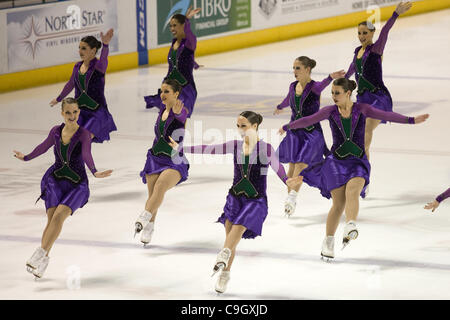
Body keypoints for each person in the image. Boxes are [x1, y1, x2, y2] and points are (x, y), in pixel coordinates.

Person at [278, 78, 429, 260]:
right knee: (338, 204)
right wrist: (288, 126)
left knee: (354, 190)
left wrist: (411, 120)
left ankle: (350, 224)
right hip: (336, 162)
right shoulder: (330, 111)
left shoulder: (362, 109)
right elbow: (307, 120)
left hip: (357, 162)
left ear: (348, 93)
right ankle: (329, 240)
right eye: (332, 92)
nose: (333, 96)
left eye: (337, 93)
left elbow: (387, 115)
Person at [171, 111, 301, 293]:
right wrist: (183, 149)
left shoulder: (266, 148)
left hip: (255, 201)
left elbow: (277, 167)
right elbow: (209, 149)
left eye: (244, 126)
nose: (240, 130)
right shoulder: (235, 146)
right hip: (234, 198)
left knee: (238, 229)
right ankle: (225, 274)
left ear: (254, 126)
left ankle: (223, 254)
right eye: (238, 126)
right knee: (230, 237)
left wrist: (287, 181)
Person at [14, 98, 112, 278]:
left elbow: (86, 154)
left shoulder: (83, 134)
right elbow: (43, 147)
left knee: (59, 216)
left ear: (79, 113)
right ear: (62, 114)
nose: (72, 116)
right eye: (68, 112)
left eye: (75, 112)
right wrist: (26, 157)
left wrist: (95, 171)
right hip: (56, 180)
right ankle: (45, 260)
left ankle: (41, 252)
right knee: (52, 220)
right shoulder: (56, 132)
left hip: (77, 184)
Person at [345, 1, 412, 194]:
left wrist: (395, 15)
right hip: (362, 99)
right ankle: (362, 176)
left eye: (365, 33)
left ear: (372, 34)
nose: (362, 36)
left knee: (365, 134)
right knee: (359, 140)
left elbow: (386, 31)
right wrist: (339, 81)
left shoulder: (376, 49)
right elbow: (351, 71)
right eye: (359, 33)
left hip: (378, 98)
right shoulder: (357, 52)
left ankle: (363, 180)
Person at [274, 55, 345, 216]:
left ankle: (292, 197)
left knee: (300, 164)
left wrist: (330, 78)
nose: (294, 71)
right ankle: (289, 201)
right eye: (293, 68)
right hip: (294, 132)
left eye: (298, 68)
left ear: (307, 69)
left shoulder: (314, 87)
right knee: (291, 167)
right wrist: (280, 106)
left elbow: (323, 85)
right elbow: (288, 99)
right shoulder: (293, 86)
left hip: (311, 133)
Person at [135, 79, 190, 246]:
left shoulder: (181, 111)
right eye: (161, 91)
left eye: (167, 91)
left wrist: (179, 113)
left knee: (160, 187)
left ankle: (144, 216)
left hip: (173, 160)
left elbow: (182, 117)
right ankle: (150, 226)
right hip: (155, 158)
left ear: (176, 94)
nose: (162, 94)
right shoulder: (161, 110)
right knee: (153, 195)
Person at [50, 30, 117, 143]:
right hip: (79, 112)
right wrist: (59, 98)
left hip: (96, 113)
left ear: (93, 51)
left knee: (82, 139)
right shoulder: (77, 66)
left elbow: (104, 59)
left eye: (84, 48)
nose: (80, 51)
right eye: (79, 48)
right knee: (69, 139)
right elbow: (70, 84)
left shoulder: (98, 67)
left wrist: (105, 45)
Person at [144, 7, 201, 118]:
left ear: (182, 25)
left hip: (185, 88)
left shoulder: (190, 42)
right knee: (167, 117)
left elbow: (188, 37)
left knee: (180, 115)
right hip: (169, 86)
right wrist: (193, 63)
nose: (172, 28)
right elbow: (179, 59)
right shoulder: (174, 42)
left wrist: (187, 20)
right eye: (170, 25)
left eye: (175, 25)